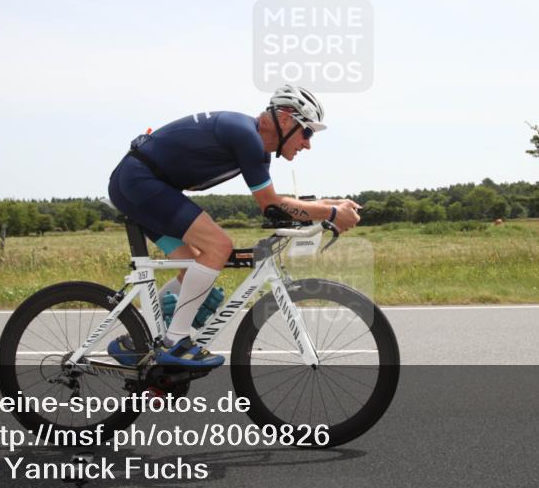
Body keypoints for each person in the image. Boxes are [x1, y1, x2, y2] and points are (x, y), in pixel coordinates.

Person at [106, 85, 360, 368]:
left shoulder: (258, 149)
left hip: (141, 184)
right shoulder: (245, 136)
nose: (308, 144)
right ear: (286, 118)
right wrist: (331, 212)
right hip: (139, 182)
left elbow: (276, 205)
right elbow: (270, 204)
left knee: (192, 266)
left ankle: (138, 342)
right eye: (307, 132)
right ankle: (174, 343)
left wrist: (330, 204)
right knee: (219, 246)